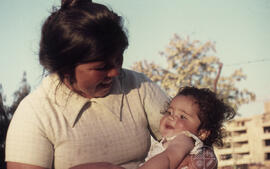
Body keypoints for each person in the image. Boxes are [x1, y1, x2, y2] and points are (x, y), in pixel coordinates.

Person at [5, 0, 169, 169]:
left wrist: (184, 154)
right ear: (65, 69)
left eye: (118, 59)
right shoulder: (35, 113)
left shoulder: (138, 86)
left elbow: (189, 131)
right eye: (101, 67)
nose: (115, 72)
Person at [138, 86, 236, 169]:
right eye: (169, 112)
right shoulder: (172, 140)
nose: (172, 117)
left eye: (182, 117)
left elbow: (168, 158)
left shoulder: (184, 139)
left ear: (202, 133)